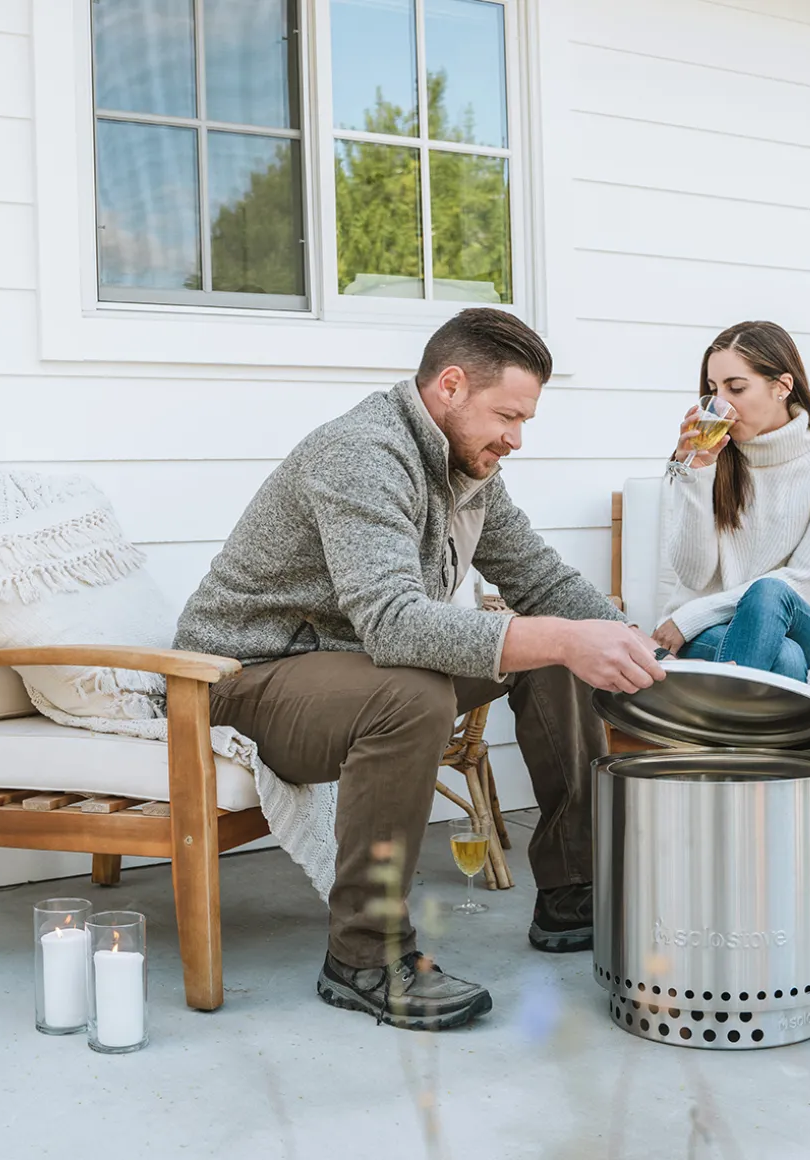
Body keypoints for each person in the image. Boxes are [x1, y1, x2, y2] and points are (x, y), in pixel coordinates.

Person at [174, 308, 665, 1031]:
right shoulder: (362, 453)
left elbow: (539, 580)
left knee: (563, 647)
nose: (516, 438)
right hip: (245, 675)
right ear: (450, 386)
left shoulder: (470, 469)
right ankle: (364, 956)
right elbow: (393, 622)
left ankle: (573, 889)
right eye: (506, 415)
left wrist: (629, 645)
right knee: (413, 693)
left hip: (348, 663)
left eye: (526, 419)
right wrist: (560, 634)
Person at [652, 321, 810, 682]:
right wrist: (696, 473)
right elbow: (694, 573)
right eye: (712, 388)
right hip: (719, 630)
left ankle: (712, 732)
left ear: (782, 386)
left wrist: (690, 618)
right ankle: (741, 738)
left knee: (769, 592)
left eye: (736, 387)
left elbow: (802, 579)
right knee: (784, 659)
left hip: (800, 622)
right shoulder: (707, 456)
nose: (721, 403)